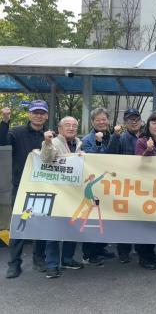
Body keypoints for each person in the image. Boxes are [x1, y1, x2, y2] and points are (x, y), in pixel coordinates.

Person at [1, 101, 48, 279]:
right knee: (20, 225)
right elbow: (2, 141)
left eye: (42, 113)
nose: (38, 116)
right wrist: (5, 120)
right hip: (21, 188)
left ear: (46, 116)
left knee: (41, 224)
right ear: (29, 114)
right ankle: (14, 264)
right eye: (35, 112)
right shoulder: (17, 132)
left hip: (43, 188)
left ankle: (39, 259)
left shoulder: (50, 135)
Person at [40, 117, 84, 279]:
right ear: (59, 129)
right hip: (57, 193)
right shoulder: (53, 142)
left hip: (73, 193)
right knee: (54, 230)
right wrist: (47, 143)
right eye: (67, 125)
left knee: (72, 227)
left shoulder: (78, 143)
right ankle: (51, 265)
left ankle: (67, 259)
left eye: (74, 126)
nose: (71, 128)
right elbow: (46, 159)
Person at [106, 108, 142, 264]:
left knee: (141, 219)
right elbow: (110, 156)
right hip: (125, 186)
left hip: (143, 186)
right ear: (125, 122)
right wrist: (115, 136)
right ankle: (123, 251)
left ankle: (141, 249)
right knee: (125, 220)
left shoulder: (146, 137)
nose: (134, 122)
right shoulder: (120, 138)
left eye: (136, 119)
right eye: (130, 120)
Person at [134, 110, 156, 269]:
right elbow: (138, 164)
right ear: (148, 125)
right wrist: (148, 150)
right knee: (145, 223)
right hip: (146, 189)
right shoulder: (142, 141)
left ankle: (151, 253)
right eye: (154, 123)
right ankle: (143, 256)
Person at [80, 107, 116, 265]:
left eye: (104, 119)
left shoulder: (112, 137)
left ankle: (100, 248)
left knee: (105, 218)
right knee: (93, 217)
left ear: (108, 120)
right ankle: (88, 254)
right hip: (94, 186)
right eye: (98, 120)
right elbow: (92, 160)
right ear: (92, 122)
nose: (102, 122)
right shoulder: (87, 139)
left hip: (109, 185)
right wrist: (98, 142)